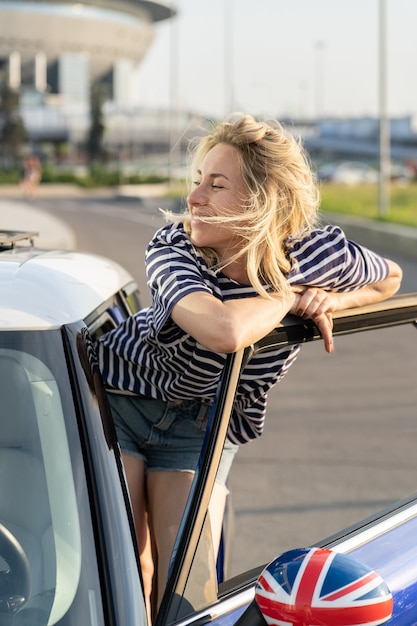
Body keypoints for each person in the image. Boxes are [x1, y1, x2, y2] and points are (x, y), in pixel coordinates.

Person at [97, 113, 402, 619]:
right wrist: (290, 295)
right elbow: (223, 331)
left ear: (265, 204)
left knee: (183, 591)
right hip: (120, 404)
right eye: (197, 181)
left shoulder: (319, 253)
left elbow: (389, 279)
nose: (194, 198)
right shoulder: (174, 249)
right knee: (128, 571)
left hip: (203, 426)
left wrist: (331, 299)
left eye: (216, 186)